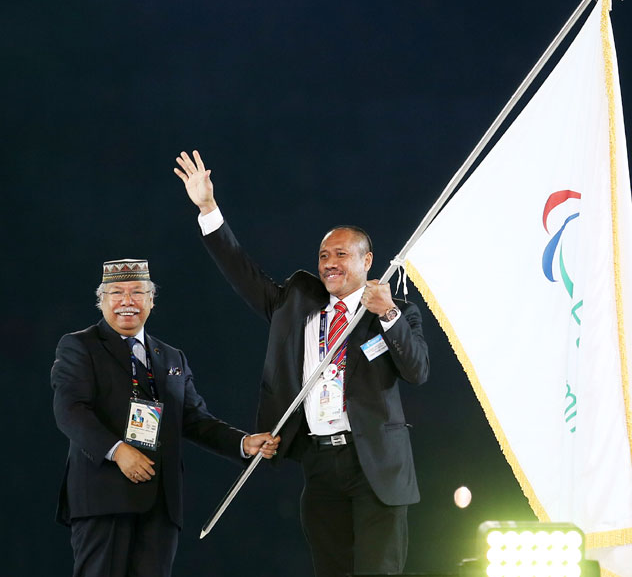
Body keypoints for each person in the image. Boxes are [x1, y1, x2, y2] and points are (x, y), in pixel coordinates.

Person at [174, 150, 429, 577]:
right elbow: (242, 271)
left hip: (376, 465)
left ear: (367, 261)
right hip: (319, 461)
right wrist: (208, 208)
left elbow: (418, 371)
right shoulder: (297, 301)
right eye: (324, 255)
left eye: (341, 254)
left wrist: (388, 315)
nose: (329, 263)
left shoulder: (394, 311)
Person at [51, 258, 280, 577]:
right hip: (103, 498)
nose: (127, 301)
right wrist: (118, 451)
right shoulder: (79, 346)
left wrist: (243, 443)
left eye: (137, 292)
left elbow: (195, 419)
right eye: (116, 292)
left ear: (151, 300)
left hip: (160, 504)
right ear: (101, 300)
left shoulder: (171, 357)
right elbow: (69, 410)